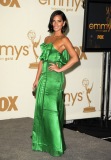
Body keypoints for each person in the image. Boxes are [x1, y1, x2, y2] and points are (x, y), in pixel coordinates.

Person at [32, 10, 79, 157]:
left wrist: (60, 69)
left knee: (52, 111)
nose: (56, 24)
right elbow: (42, 61)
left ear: (64, 23)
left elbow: (75, 58)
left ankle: (56, 146)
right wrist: (36, 78)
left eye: (59, 21)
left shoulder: (64, 40)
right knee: (41, 109)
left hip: (54, 80)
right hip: (44, 78)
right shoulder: (47, 39)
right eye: (54, 21)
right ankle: (41, 142)